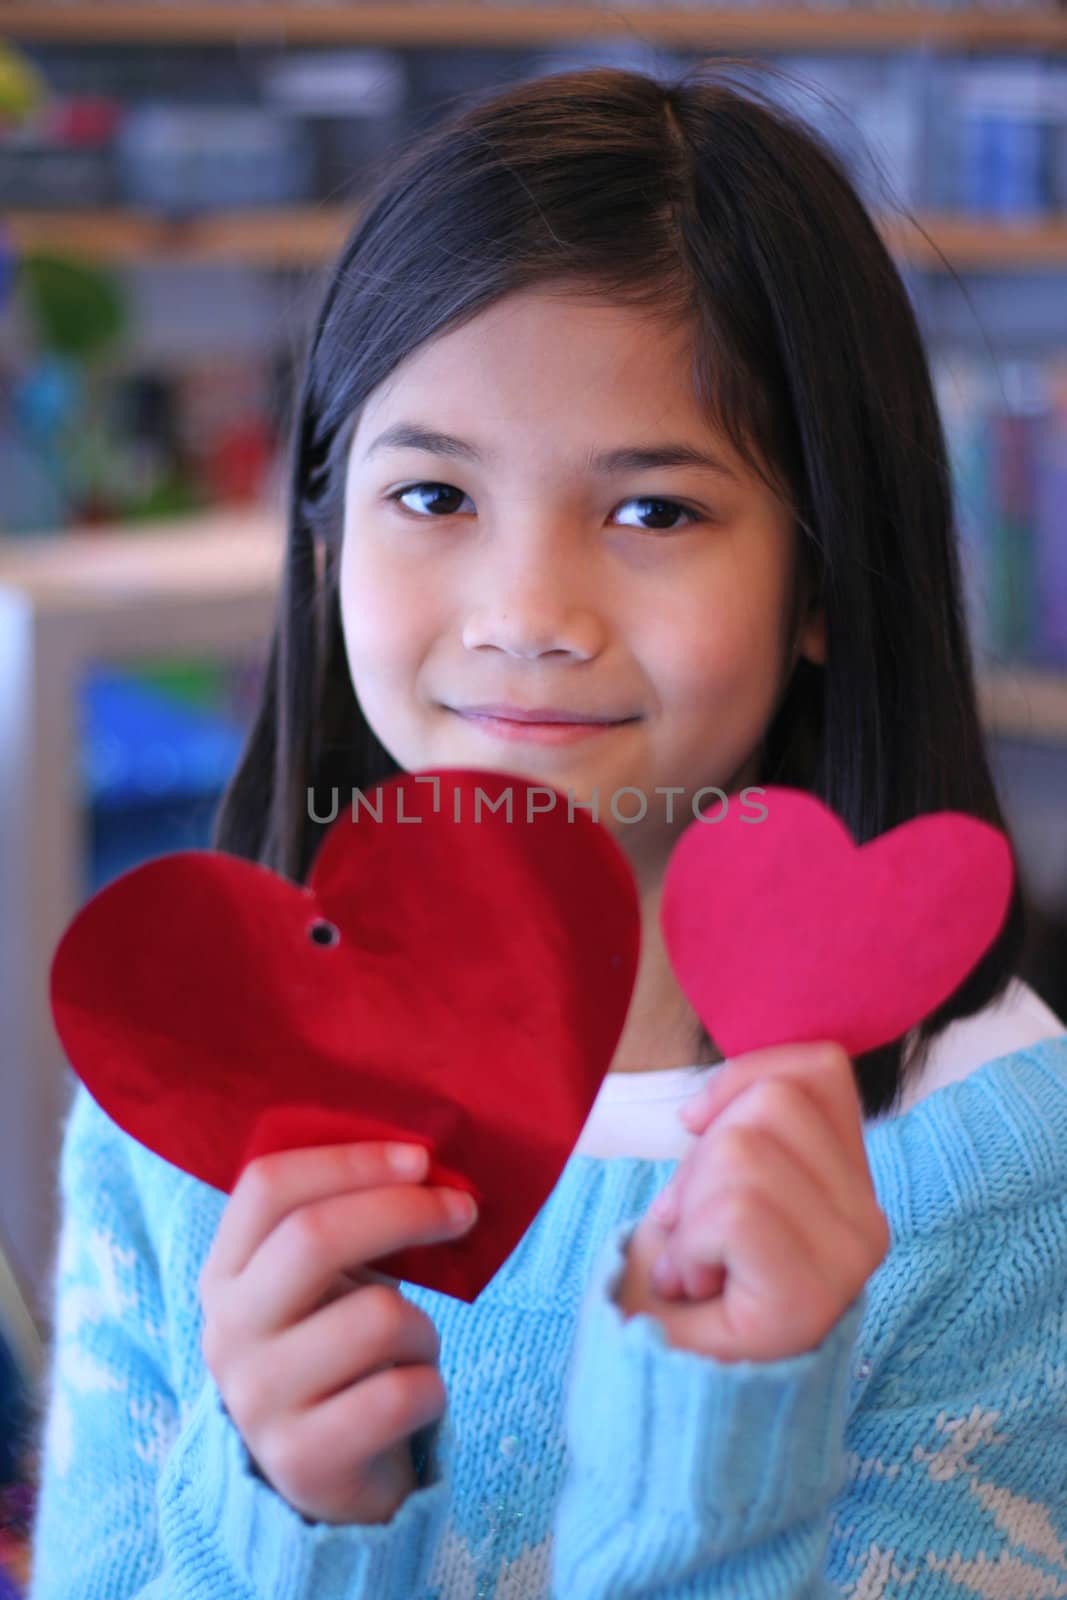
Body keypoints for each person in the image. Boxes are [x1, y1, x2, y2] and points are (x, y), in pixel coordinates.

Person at [27, 60, 1067, 1599]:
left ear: (828, 578)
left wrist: (725, 1436)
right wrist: (291, 1507)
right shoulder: (186, 1097)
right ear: (320, 541)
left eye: (654, 512)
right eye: (434, 494)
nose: (528, 617)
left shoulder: (995, 1167)